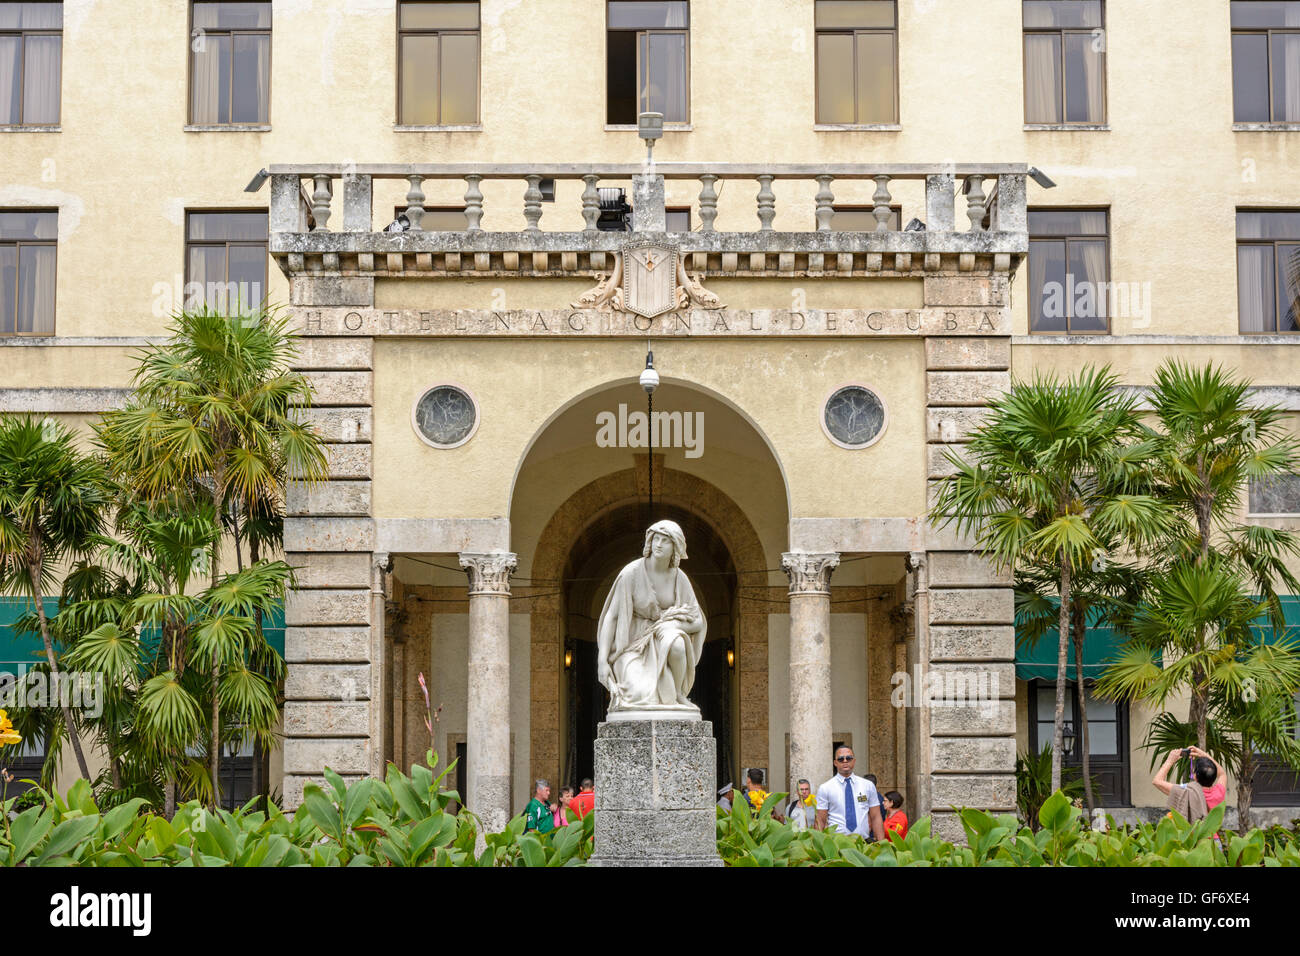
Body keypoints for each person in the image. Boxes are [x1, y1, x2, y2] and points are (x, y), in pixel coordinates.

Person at [596, 520, 706, 714]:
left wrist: (674, 626)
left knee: (678, 644)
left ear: (675, 547)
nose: (659, 544)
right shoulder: (630, 573)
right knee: (637, 695)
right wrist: (602, 661)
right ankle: (661, 690)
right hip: (634, 645)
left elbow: (697, 621)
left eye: (665, 540)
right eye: (656, 538)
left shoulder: (680, 578)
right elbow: (612, 617)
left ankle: (679, 694)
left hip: (664, 639)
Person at [815, 745, 885, 842]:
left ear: (854, 761)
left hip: (864, 843)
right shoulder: (825, 788)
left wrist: (882, 845)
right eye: (840, 759)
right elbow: (820, 820)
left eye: (848, 758)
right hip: (837, 844)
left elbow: (876, 816)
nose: (845, 761)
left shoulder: (868, 786)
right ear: (835, 763)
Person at [1153, 748, 1222, 825]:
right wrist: (1204, 755)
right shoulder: (1219, 792)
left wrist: (1170, 761)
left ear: (1195, 776)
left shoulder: (1184, 792)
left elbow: (1157, 781)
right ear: (1215, 775)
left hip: (1193, 836)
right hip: (1213, 836)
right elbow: (1222, 773)